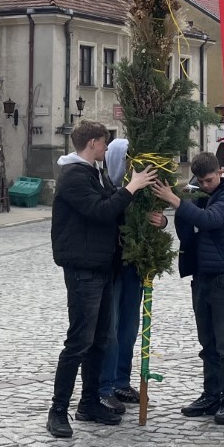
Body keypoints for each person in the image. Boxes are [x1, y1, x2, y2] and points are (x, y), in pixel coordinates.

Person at [47, 121, 157, 439]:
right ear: (93, 143)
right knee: (78, 342)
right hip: (83, 269)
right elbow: (101, 211)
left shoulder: (95, 173)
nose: (108, 149)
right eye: (105, 143)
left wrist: (149, 205)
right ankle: (57, 411)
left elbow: (117, 206)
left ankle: (89, 403)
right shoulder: (74, 177)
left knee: (99, 341)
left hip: (102, 267)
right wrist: (132, 186)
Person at [151, 151, 224, 425]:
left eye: (209, 180)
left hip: (223, 277)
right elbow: (187, 228)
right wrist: (170, 217)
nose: (205, 185)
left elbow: (209, 220)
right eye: (201, 182)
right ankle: (211, 394)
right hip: (201, 274)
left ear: (220, 172)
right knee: (207, 342)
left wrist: (175, 200)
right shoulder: (199, 194)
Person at [98, 138, 144, 412]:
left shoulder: (138, 191)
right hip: (112, 266)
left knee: (129, 327)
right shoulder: (104, 188)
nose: (130, 166)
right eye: (126, 160)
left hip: (133, 266)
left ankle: (121, 380)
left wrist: (159, 222)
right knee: (111, 329)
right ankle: (105, 384)